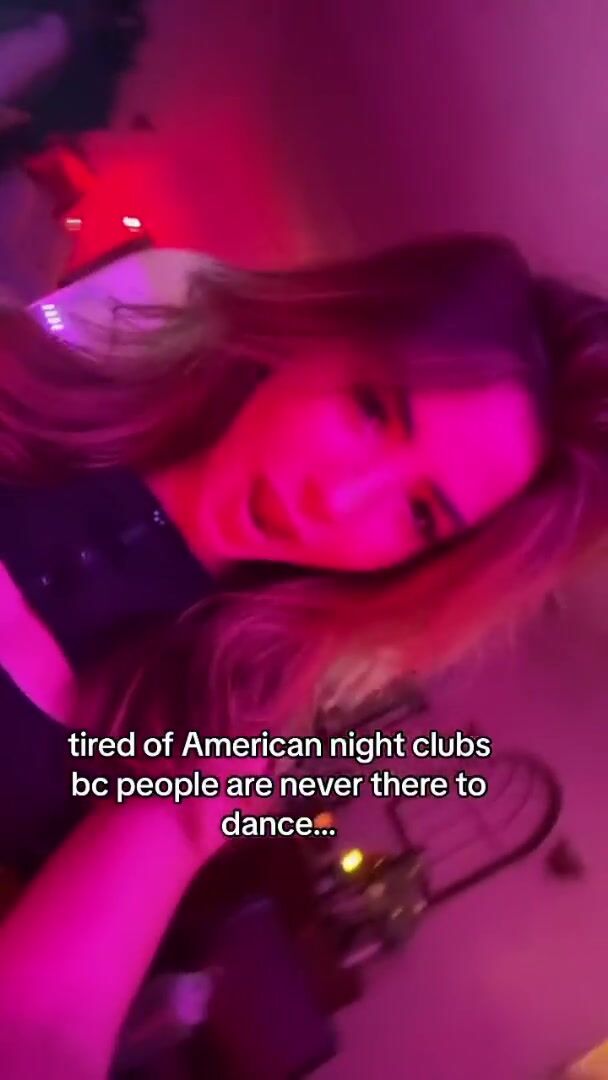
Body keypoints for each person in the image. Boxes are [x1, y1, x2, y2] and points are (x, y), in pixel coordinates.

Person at [0, 232, 606, 1075]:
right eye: (373, 410)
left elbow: (39, 1031)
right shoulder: (26, 377)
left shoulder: (222, 723)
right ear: (323, 331)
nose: (339, 499)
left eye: (419, 515)